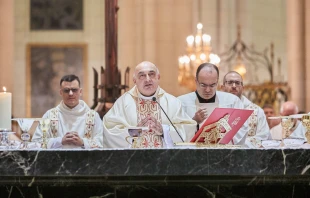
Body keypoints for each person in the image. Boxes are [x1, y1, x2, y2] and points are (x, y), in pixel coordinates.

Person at [102, 61, 197, 148]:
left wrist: (164, 130)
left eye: (151, 74)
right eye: (142, 76)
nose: (148, 79)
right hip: (134, 161)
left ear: (158, 77)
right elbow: (110, 130)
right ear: (135, 81)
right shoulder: (123, 103)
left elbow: (188, 128)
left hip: (165, 161)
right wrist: (135, 132)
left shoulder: (172, 102)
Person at [177, 63, 248, 145]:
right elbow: (174, 133)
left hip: (223, 154)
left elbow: (242, 128)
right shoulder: (181, 102)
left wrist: (222, 137)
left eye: (212, 85)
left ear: (217, 82)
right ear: (196, 81)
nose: (207, 90)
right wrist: (193, 122)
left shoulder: (232, 101)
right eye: (203, 85)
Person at [32, 75, 103, 149]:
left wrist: (83, 142)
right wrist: (60, 141)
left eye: (74, 90)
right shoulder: (49, 115)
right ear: (61, 92)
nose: (71, 93)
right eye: (66, 90)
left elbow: (103, 142)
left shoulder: (93, 116)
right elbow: (36, 143)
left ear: (80, 92)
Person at [221, 71, 271, 147]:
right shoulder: (216, 109)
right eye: (230, 82)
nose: (234, 86)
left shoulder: (257, 111)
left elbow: (264, 137)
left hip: (249, 156)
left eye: (237, 83)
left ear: (243, 88)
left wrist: (236, 144)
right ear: (222, 87)